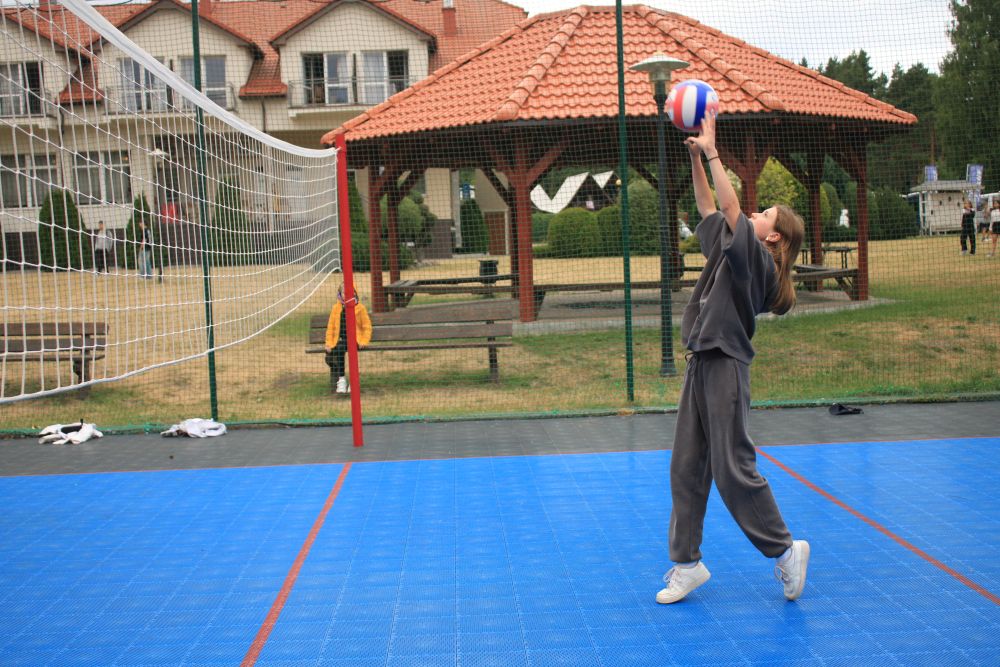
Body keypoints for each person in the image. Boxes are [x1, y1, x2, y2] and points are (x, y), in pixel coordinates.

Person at [657, 111, 809, 605]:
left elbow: (728, 204)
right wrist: (695, 159)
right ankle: (687, 564)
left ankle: (785, 551)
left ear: (773, 237)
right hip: (701, 361)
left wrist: (713, 151)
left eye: (765, 213)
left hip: (726, 365)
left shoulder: (757, 260)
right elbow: (710, 207)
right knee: (686, 466)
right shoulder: (731, 244)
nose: (755, 213)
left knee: (732, 467)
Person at [325, 285, 372, 394]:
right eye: (344, 293)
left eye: (350, 292)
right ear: (340, 294)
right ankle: (341, 380)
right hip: (340, 340)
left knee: (350, 349)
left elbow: (367, 327)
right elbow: (330, 327)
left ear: (355, 293)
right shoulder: (336, 308)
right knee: (339, 349)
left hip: (355, 340)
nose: (347, 295)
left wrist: (364, 341)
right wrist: (328, 343)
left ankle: (353, 381)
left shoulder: (360, 308)